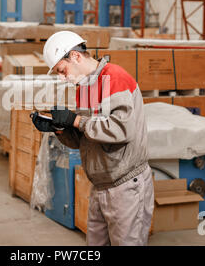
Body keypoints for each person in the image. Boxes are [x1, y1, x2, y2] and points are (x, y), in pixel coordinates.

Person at [31, 31, 154, 246]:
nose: (62, 77)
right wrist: (59, 129)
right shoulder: (84, 88)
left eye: (62, 70)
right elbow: (85, 139)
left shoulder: (115, 77)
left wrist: (76, 120)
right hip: (101, 185)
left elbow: (122, 129)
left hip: (126, 186)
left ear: (76, 57)